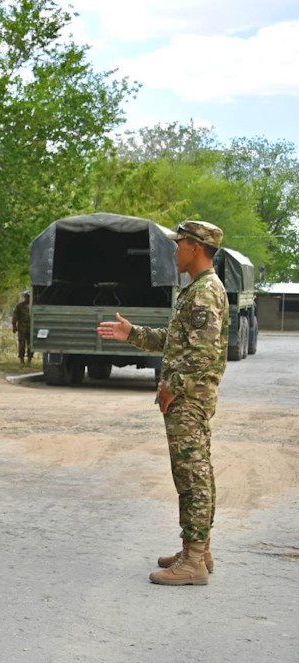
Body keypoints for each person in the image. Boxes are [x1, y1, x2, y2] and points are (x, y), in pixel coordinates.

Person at [97, 221, 228, 586]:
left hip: (188, 399)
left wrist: (173, 386)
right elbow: (177, 341)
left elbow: (203, 354)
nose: (175, 251)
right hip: (189, 398)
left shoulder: (204, 293)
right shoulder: (199, 289)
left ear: (196, 248)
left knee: (191, 475)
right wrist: (132, 333)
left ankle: (194, 561)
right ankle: (198, 549)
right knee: (195, 471)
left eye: (180, 244)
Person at [12, 292, 33, 365]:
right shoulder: (19, 306)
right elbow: (15, 316)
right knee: (22, 344)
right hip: (22, 327)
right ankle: (21, 359)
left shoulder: (33, 306)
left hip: (31, 328)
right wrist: (14, 326)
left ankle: (29, 359)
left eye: (29, 297)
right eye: (26, 297)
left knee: (31, 344)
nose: (27, 298)